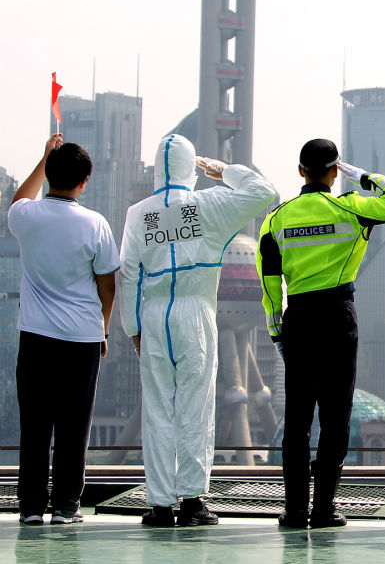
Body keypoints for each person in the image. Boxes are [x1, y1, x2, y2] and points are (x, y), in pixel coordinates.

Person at [257, 139, 385, 529]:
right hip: (338, 317)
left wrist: (277, 332)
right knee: (335, 415)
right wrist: (360, 175)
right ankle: (324, 509)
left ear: (300, 172)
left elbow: (269, 281)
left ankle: (295, 510)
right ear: (334, 171)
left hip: (299, 318)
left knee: (297, 420)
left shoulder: (276, 219)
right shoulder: (351, 207)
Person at [119, 134, 276, 527]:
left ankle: (159, 505)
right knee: (196, 407)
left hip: (154, 315)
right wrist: (225, 171)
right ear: (191, 167)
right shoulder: (210, 205)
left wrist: (133, 328)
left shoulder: (138, 214)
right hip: (197, 312)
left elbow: (129, 275)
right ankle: (191, 502)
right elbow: (264, 191)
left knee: (158, 409)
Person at [8, 134, 119, 524]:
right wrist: (103, 330)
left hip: (35, 336)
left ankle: (31, 507)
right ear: (85, 180)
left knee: (35, 426)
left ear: (49, 173)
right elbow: (108, 285)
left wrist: (44, 159)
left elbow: (19, 199)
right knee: (74, 427)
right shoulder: (95, 223)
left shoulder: (26, 217)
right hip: (82, 339)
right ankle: (66, 507)